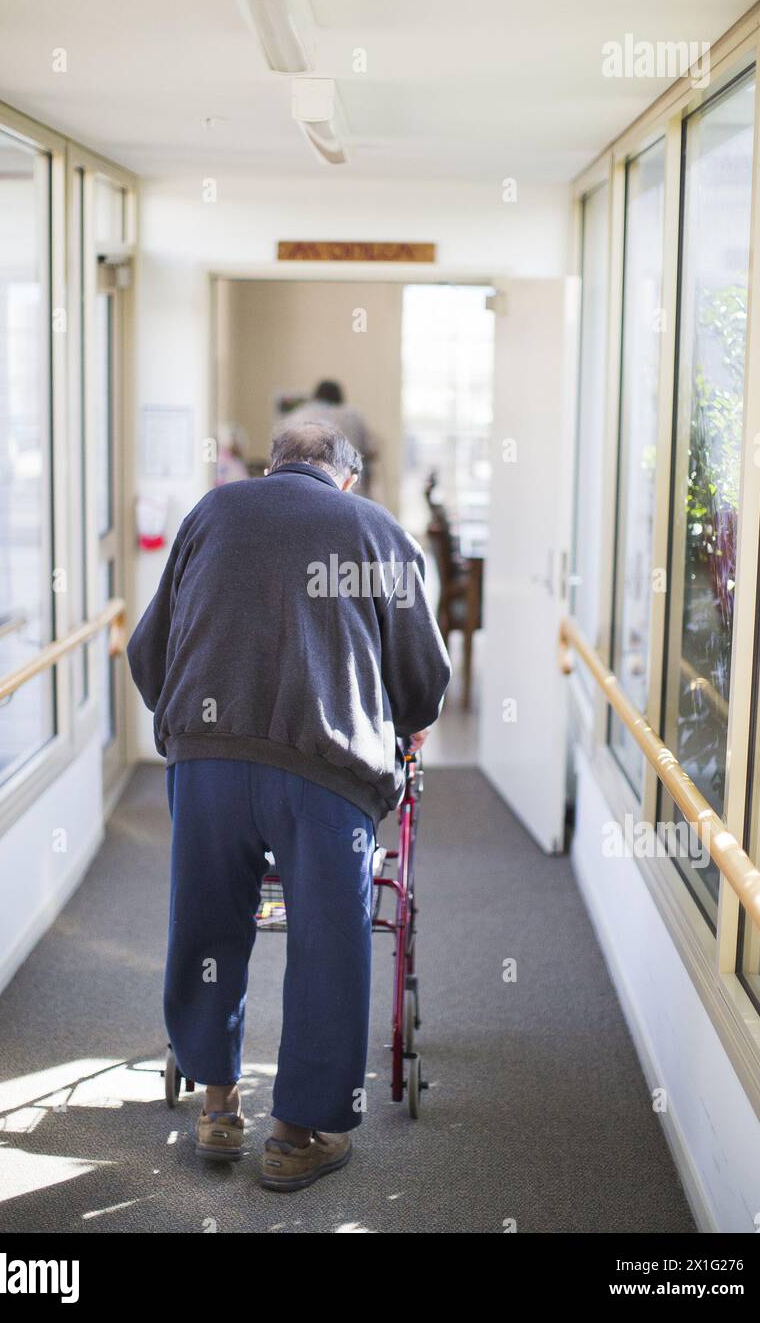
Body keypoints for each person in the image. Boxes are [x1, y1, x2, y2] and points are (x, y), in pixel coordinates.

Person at [127, 420, 450, 1192]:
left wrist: (194, 730)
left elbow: (150, 652)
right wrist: (397, 718)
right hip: (322, 773)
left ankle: (216, 1104)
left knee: (207, 921)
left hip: (207, 763)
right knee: (328, 944)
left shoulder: (212, 512)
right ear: (346, 479)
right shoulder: (376, 530)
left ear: (273, 470)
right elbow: (422, 683)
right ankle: (297, 1133)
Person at [289, 379, 377, 496]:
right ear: (340, 397)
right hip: (350, 488)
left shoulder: (298, 415)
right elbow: (371, 452)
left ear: (316, 396)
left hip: (307, 486)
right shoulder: (353, 416)